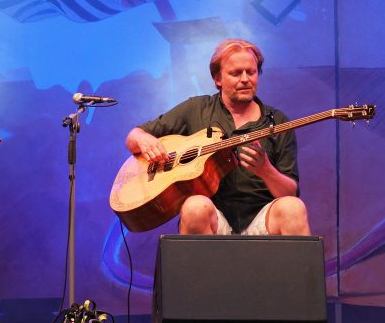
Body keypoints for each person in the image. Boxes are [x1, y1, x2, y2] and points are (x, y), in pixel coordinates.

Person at [125, 39, 311, 236]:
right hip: (213, 216)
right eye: (236, 73)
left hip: (263, 219)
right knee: (194, 207)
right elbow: (134, 136)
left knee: (293, 208)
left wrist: (266, 171)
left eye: (251, 72)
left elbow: (290, 194)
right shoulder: (196, 109)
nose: (245, 79)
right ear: (217, 79)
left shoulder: (278, 122)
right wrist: (143, 140)